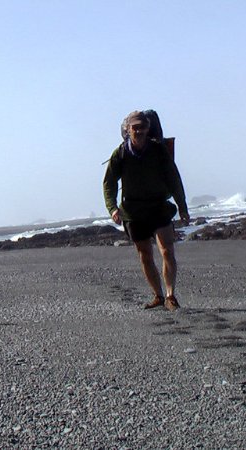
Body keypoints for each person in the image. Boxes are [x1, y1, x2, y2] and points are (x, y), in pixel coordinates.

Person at [103, 110, 190, 311]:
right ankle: (158, 296)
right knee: (145, 255)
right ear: (128, 130)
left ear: (148, 128)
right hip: (133, 211)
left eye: (143, 127)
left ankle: (170, 295)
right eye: (135, 128)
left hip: (159, 206)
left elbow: (174, 179)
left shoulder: (159, 150)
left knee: (167, 250)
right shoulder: (121, 153)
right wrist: (113, 208)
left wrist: (182, 207)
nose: (139, 131)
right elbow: (109, 183)